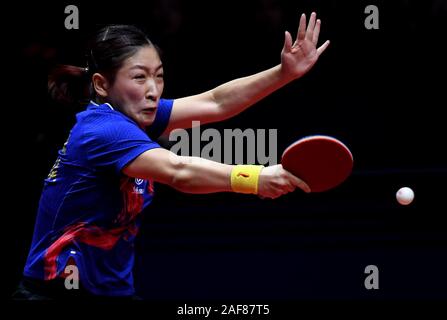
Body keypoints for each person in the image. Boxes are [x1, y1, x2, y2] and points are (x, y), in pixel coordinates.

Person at [15, 12, 329, 300]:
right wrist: (256, 178)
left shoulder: (137, 115)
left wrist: (284, 74)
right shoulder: (103, 130)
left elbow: (216, 103)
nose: (153, 89)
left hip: (112, 292)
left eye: (159, 76)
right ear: (101, 85)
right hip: (55, 293)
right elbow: (178, 171)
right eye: (139, 78)